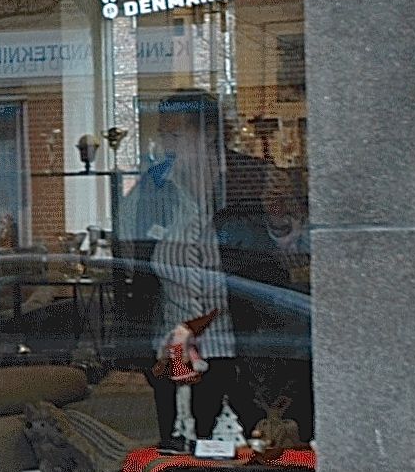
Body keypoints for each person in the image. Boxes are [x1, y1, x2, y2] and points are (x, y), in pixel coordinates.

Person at [119, 90, 293, 448]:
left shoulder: (253, 178)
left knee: (247, 452)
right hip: (173, 349)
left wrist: (278, 221)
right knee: (179, 451)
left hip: (241, 350)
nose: (166, 145)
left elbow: (285, 255)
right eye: (163, 135)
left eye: (176, 135)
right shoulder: (153, 187)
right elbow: (131, 259)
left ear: (209, 133)